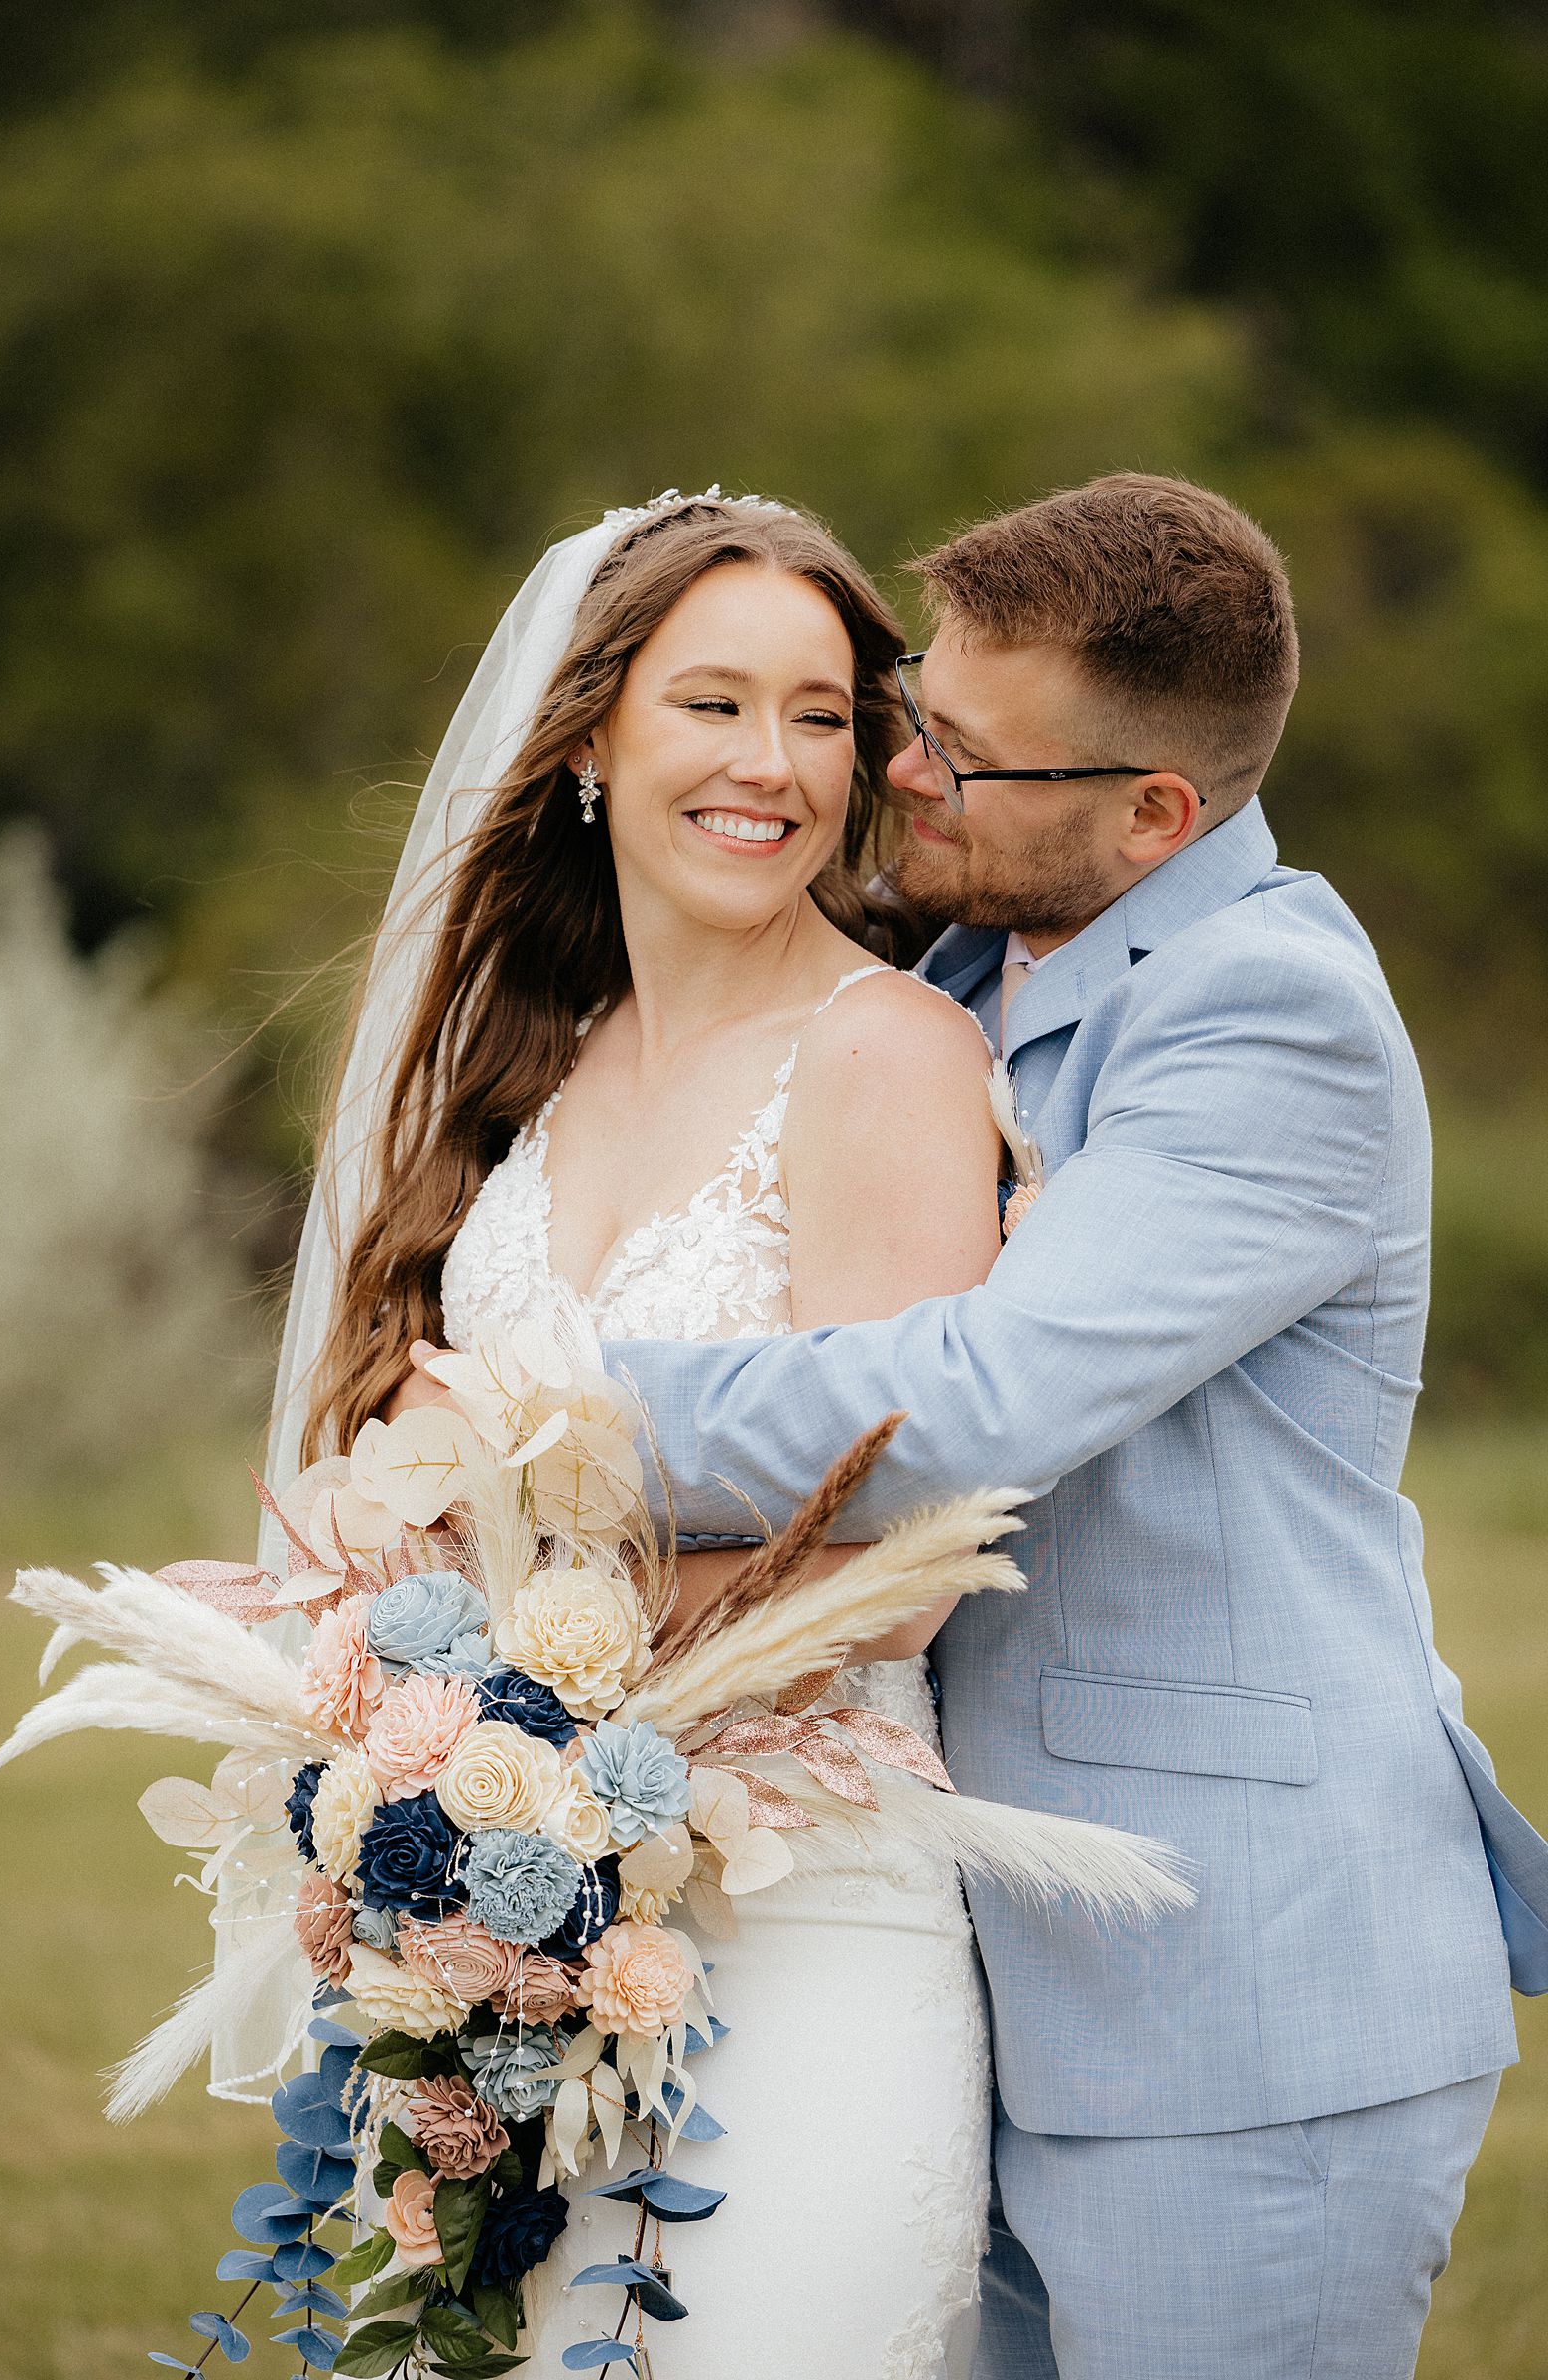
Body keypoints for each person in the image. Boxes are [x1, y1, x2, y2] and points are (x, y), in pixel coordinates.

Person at [537, 473, 1548, 2380]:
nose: (905, 778)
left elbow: (977, 1400)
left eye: (964, 761)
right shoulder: (964, 968)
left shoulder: (1274, 1018)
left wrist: (562, 1412)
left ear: (1157, 813)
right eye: (919, 712)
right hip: (969, 1964)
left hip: (1236, 1994)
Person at [274, 489, 1030, 2376]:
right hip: (515, 1955)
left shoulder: (886, 1060)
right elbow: (378, 1485)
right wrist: (419, 1752)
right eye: (713, 705)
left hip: (816, 1925)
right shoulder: (529, 1069)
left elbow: (899, 1568)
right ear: (592, 738)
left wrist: (508, 1696)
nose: (769, 765)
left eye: (824, 714)